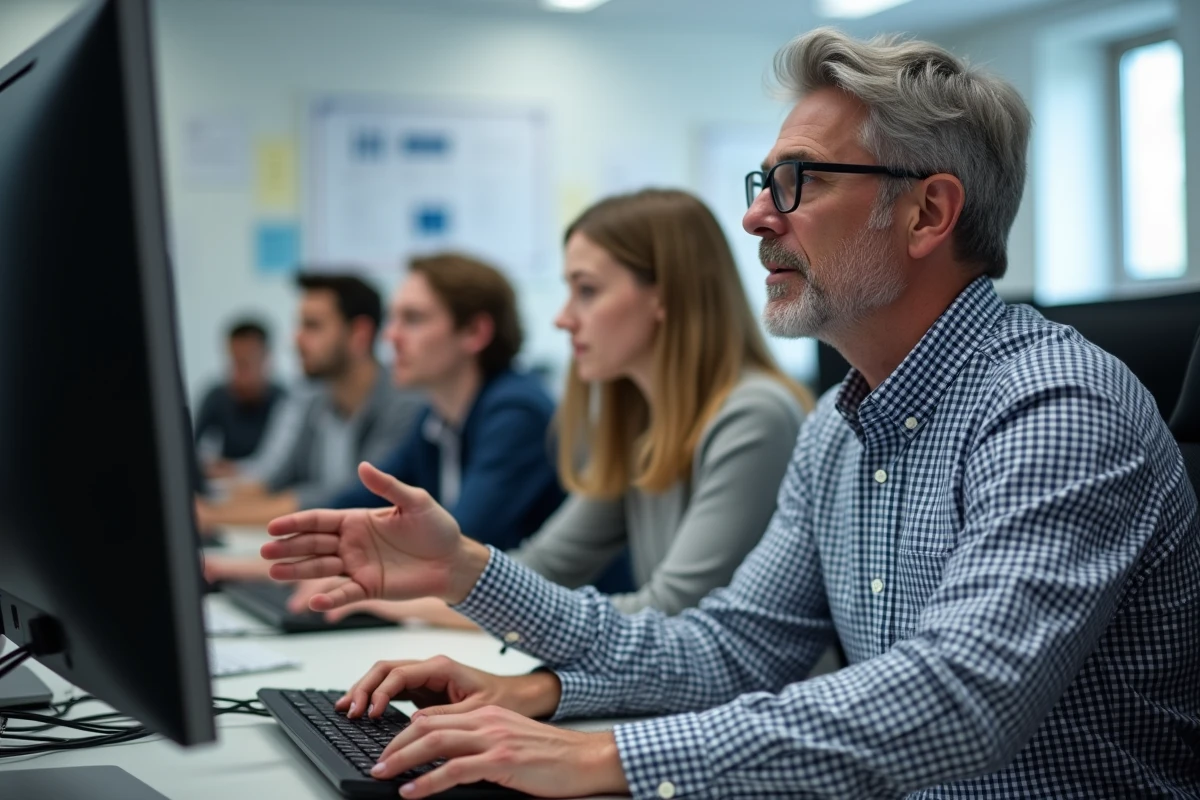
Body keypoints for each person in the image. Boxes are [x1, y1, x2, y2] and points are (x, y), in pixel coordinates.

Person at [260, 29, 1199, 800]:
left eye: (800, 181)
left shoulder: (1056, 410)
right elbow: (733, 647)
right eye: (763, 184)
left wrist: (607, 757)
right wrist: (468, 572)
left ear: (926, 214)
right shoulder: (840, 425)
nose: (756, 220)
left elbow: (959, 700)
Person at [296, 190, 812, 627]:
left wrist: (439, 586)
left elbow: (673, 614)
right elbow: (544, 566)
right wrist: (422, 582)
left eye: (586, 291)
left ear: (665, 298)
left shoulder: (753, 417)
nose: (563, 319)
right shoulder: (645, 423)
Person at [207, 254, 565, 582]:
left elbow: (455, 549)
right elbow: (352, 504)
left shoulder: (517, 413)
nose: (391, 336)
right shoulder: (435, 419)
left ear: (475, 332)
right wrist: (237, 568)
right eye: (394, 318)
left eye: (413, 319)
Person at [197, 273, 422, 529]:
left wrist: (214, 516)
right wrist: (205, 506)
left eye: (312, 326)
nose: (297, 340)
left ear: (360, 333)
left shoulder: (405, 404)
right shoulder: (314, 402)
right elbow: (272, 481)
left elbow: (353, 497)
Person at [193, 319, 286, 476]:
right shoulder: (216, 398)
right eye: (234, 362)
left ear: (267, 360)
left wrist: (233, 470)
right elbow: (194, 455)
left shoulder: (285, 402)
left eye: (245, 364)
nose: (237, 374)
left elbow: (280, 469)